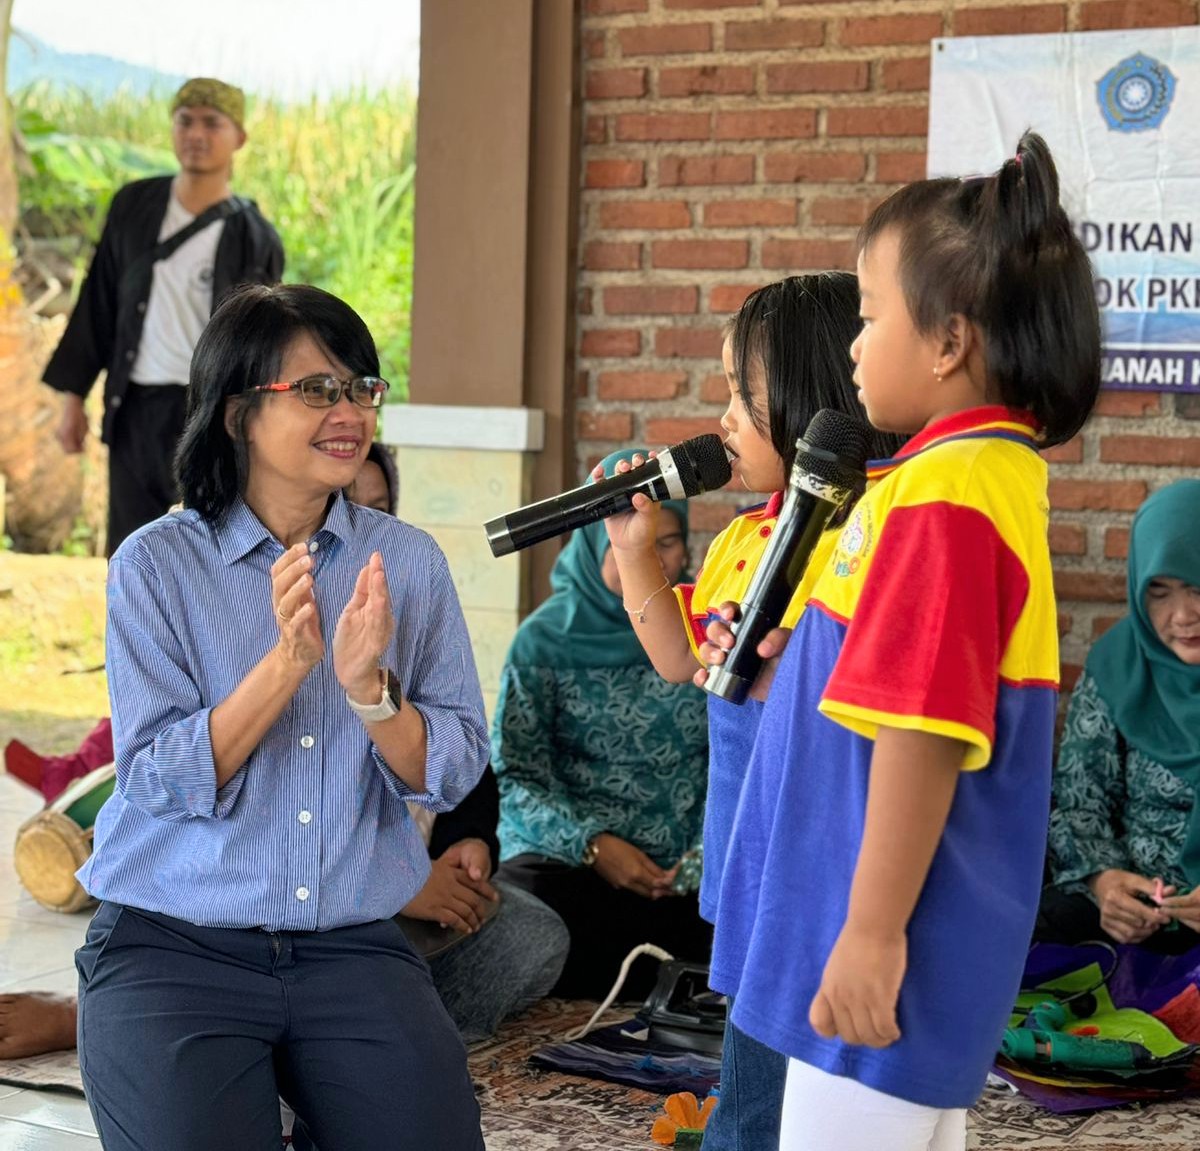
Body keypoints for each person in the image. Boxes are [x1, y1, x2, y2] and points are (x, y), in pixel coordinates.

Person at [709, 131, 1101, 1151]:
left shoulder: (948, 498)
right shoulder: (953, 480)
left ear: (947, 343)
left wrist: (873, 932)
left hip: (889, 945)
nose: (852, 343)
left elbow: (922, 734)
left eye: (870, 314)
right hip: (872, 936)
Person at [74, 283, 488, 1150]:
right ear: (237, 415)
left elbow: (454, 764)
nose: (349, 410)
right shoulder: (157, 565)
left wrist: (371, 692)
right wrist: (287, 665)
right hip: (172, 942)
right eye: (315, 390)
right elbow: (153, 777)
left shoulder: (404, 563)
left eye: (360, 387)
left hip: (347, 942)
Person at [601, 274, 902, 1151]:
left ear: (817, 404)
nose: (723, 417)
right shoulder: (743, 538)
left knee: (781, 1077)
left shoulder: (868, 531)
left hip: (819, 850)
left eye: (744, 395)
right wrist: (633, 552)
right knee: (758, 1046)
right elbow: (677, 656)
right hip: (747, 841)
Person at [493, 456, 711, 1001]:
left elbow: (739, 758)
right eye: (631, 542)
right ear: (596, 544)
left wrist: (705, 855)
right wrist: (594, 845)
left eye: (668, 542)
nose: (652, 557)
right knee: (531, 908)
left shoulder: (709, 632)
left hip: (686, 872)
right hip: (577, 869)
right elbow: (516, 777)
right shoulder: (542, 643)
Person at [43, 77, 284, 556]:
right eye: (185, 121)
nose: (196, 133)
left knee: (208, 551)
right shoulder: (134, 206)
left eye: (212, 123)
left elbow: (262, 343)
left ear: (238, 137)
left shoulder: (254, 236)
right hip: (135, 406)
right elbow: (99, 301)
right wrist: (74, 398)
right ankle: (129, 634)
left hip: (211, 412)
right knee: (130, 550)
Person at [1042, 479, 1200, 952]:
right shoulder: (1118, 667)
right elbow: (1079, 802)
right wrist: (1107, 884)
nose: (1183, 615)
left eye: (1197, 587)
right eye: (1159, 592)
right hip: (1137, 917)